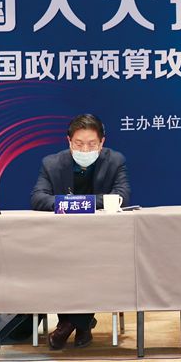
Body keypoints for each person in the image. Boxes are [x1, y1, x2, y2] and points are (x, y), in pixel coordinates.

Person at [31, 113, 131, 349]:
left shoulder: (115, 161)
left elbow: (122, 196)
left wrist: (80, 203)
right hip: (61, 239)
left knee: (92, 263)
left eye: (91, 144)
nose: (85, 149)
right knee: (63, 264)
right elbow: (38, 198)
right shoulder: (51, 163)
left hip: (103, 240)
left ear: (102, 142)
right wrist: (75, 204)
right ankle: (83, 325)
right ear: (69, 141)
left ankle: (67, 325)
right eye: (79, 143)